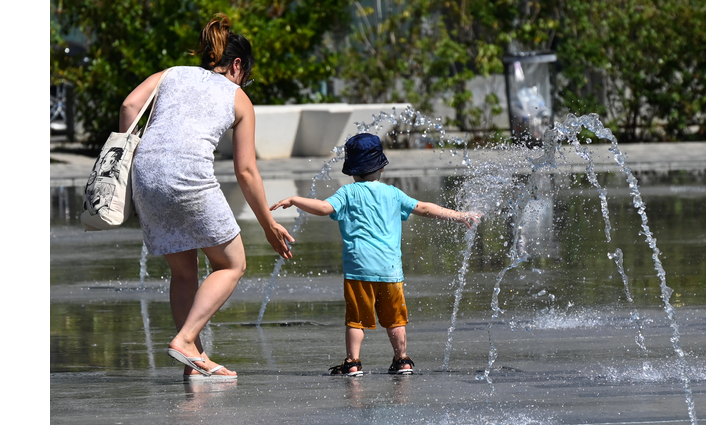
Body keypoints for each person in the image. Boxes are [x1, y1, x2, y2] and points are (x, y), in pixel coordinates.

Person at [119, 13, 294, 382]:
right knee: (232, 263)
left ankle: (194, 360)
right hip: (187, 175)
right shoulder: (237, 97)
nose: (245, 81)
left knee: (183, 272)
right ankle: (185, 340)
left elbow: (129, 107)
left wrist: (134, 163)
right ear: (236, 65)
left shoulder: (172, 73)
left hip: (145, 173)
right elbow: (246, 172)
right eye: (247, 74)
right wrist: (268, 225)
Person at [270, 133, 481, 376]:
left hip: (359, 269)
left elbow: (324, 208)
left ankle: (353, 362)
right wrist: (458, 215)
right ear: (381, 167)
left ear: (351, 170)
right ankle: (402, 360)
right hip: (391, 271)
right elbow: (424, 208)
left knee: (356, 319)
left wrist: (296, 200)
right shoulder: (393, 193)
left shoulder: (347, 193)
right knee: (396, 320)